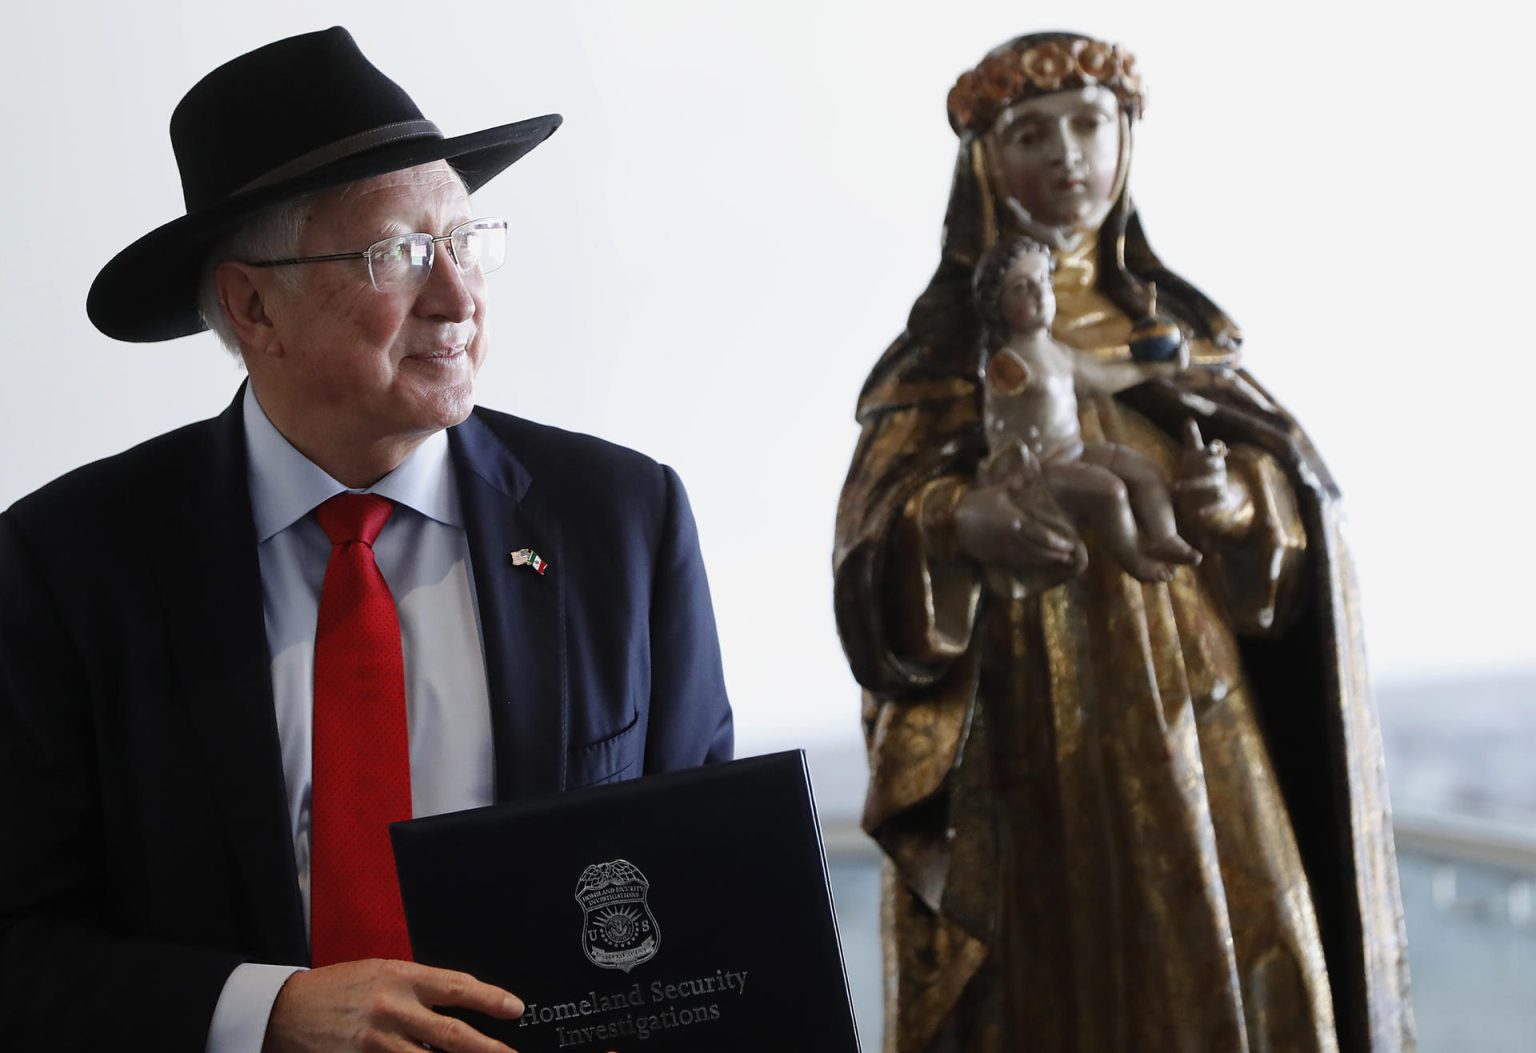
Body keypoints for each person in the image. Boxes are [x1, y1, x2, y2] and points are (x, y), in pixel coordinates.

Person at [0, 27, 732, 1053]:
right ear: (253, 305)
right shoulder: (67, 564)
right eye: (398, 254)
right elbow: (19, 949)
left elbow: (709, 891)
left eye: (467, 242)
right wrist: (266, 1013)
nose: (458, 297)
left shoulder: (620, 520)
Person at [833, 31, 1414, 1053]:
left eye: (1090, 124)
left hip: (1201, 705)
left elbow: (1293, 522)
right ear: (984, 162)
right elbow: (874, 543)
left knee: (1248, 938)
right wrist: (959, 522)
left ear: (1126, 138)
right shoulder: (943, 355)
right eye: (1031, 133)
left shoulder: (1187, 340)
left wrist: (1240, 503)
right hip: (1028, 723)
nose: (1067, 156)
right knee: (1057, 976)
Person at [972, 234, 1198, 583]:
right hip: (1036, 470)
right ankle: (1134, 560)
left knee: (1143, 470)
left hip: (1073, 451)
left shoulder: (1058, 352)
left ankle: (1165, 537)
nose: (1038, 293)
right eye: (1021, 287)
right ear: (996, 304)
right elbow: (996, 416)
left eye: (1043, 281)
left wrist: (1158, 368)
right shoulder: (1006, 363)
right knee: (1110, 491)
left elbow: (1101, 377)